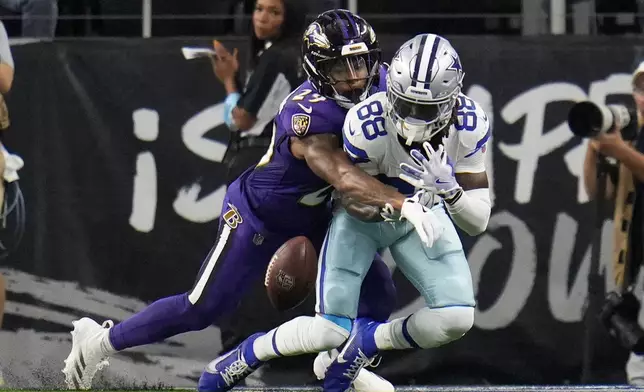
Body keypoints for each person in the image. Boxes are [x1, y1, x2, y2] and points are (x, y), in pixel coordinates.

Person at [63, 10, 440, 392]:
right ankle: (98, 342)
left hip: (318, 217)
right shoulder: (307, 113)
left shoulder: (382, 81)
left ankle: (336, 363)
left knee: (378, 297)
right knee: (202, 307)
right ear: (316, 69)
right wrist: (402, 202)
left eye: (361, 61)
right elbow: (342, 175)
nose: (356, 75)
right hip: (259, 215)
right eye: (341, 67)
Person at [199, 33, 492, 392]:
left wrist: (453, 192)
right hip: (363, 221)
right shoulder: (366, 123)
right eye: (404, 104)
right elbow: (348, 198)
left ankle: (366, 342)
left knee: (456, 317)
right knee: (328, 329)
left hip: (424, 214)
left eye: (426, 109)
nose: (413, 119)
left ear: (452, 101)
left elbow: (477, 221)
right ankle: (246, 354)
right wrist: (398, 206)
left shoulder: (469, 122)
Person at [582, 60, 644, 386]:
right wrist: (595, 150)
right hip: (636, 262)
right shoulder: (635, 137)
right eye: (641, 88)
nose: (643, 96)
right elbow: (598, 191)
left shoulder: (628, 146)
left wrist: (618, 150)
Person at [211, 0, 307, 184]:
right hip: (284, 161)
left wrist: (229, 80)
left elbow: (243, 120)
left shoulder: (275, 57)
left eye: (274, 12)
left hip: (260, 162)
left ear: (289, 18)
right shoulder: (295, 55)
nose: (262, 18)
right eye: (259, 9)